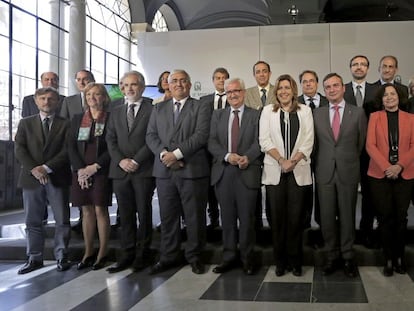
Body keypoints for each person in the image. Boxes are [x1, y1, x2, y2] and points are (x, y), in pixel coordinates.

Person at [146, 69, 211, 275]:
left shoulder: (201, 106)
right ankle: (169, 255)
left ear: (190, 85)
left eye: (183, 81)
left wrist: (178, 154)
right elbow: (151, 135)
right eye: (174, 81)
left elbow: (201, 135)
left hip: (192, 170)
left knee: (194, 217)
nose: (179, 84)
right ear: (168, 84)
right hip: (165, 171)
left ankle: (195, 256)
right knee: (168, 217)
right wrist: (165, 154)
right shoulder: (158, 108)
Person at [260, 74, 314, 277]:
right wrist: (282, 160)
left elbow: (309, 140)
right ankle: (280, 262)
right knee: (277, 219)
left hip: (298, 171)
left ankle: (296, 261)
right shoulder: (267, 111)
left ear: (294, 91)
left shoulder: (305, 111)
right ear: (276, 92)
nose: (284, 91)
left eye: (287, 87)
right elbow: (264, 140)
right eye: (280, 88)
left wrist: (294, 160)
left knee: (296, 220)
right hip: (275, 171)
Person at [313, 73, 367, 278]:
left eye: (336, 85)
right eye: (328, 87)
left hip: (348, 171)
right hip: (324, 172)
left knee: (347, 216)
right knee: (326, 218)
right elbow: (315, 145)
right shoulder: (317, 114)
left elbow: (360, 145)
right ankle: (331, 255)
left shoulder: (358, 112)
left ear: (343, 88)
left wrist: (347, 160)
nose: (332, 89)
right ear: (324, 91)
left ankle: (347, 256)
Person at [15, 87, 71, 274]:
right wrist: (35, 169)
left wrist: (46, 168)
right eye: (43, 98)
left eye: (51, 99)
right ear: (36, 101)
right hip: (31, 178)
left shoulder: (66, 124)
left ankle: (62, 256)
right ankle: (34, 258)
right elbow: (20, 149)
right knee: (33, 221)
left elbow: (67, 150)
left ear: (57, 102)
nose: (47, 102)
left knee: (62, 220)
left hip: (57, 176)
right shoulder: (25, 123)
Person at [208, 78, 262, 275]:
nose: (233, 94)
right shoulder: (217, 115)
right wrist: (227, 156)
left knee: (247, 220)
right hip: (223, 172)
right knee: (227, 219)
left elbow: (260, 141)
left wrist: (248, 157)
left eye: (236, 91)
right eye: (229, 92)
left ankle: (248, 259)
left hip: (247, 171)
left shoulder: (256, 115)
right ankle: (229, 257)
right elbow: (211, 142)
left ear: (244, 92)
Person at [105, 71, 155, 273]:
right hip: (120, 171)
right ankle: (126, 255)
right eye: (126, 85)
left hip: (143, 169)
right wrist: (121, 161)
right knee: (124, 216)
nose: (130, 88)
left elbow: (152, 138)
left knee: (143, 213)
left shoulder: (153, 108)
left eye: (134, 84)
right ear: (121, 87)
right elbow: (110, 139)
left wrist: (135, 160)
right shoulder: (115, 111)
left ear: (142, 87)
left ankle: (143, 255)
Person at [366, 83, 414, 276]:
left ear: (399, 96)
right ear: (381, 99)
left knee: (401, 218)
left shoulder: (410, 119)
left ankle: (399, 257)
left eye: (392, 94)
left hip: (405, 173)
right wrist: (387, 167)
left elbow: (413, 145)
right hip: (380, 175)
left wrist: (399, 165)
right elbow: (370, 145)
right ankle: (387, 259)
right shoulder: (374, 117)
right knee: (385, 217)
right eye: (385, 95)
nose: (389, 97)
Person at [67, 83, 112, 271]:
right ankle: (88, 251)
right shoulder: (78, 118)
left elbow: (112, 146)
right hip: (81, 172)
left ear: (104, 97)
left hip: (101, 169)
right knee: (86, 211)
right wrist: (80, 170)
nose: (92, 97)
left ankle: (102, 252)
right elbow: (70, 145)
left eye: (97, 94)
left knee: (100, 210)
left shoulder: (110, 118)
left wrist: (95, 167)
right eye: (88, 94)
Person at [344, 55, 379, 249]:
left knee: (369, 194)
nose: (359, 67)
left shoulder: (376, 90)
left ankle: (366, 232)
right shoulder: (343, 89)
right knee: (346, 194)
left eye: (363, 64)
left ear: (368, 68)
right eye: (355, 64)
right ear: (350, 68)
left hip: (370, 152)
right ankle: (347, 233)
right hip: (347, 151)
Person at [60, 69, 96, 232]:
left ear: (92, 80)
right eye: (79, 79)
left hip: (95, 150)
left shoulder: (100, 99)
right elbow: (64, 125)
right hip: (76, 151)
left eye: (85, 79)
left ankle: (94, 222)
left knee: (97, 191)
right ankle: (83, 219)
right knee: (80, 188)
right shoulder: (69, 101)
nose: (82, 82)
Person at [245, 60, 276, 230]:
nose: (262, 74)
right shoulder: (247, 92)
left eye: (265, 71)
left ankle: (273, 223)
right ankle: (256, 224)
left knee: (272, 188)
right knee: (254, 187)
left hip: (274, 147)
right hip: (253, 147)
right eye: (258, 71)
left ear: (270, 73)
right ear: (254, 75)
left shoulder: (278, 91)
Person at [200, 67, 230, 229]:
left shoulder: (234, 99)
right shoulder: (204, 100)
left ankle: (228, 220)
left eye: (224, 78)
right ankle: (213, 220)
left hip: (227, 149)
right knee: (210, 187)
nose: (221, 80)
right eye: (218, 78)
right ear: (213, 81)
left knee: (226, 187)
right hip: (206, 152)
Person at [298, 70, 328, 229]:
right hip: (302, 155)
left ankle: (322, 223)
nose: (308, 84)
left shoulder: (328, 101)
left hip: (324, 154)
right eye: (304, 81)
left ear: (317, 83)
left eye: (311, 81)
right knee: (305, 191)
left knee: (323, 192)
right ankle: (305, 223)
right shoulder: (294, 103)